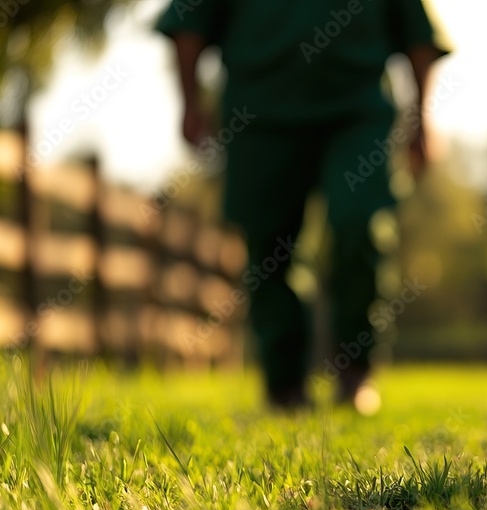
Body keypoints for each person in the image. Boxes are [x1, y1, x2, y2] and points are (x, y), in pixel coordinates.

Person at [156, 1, 447, 413]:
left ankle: (355, 371)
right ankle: (285, 385)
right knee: (270, 248)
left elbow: (419, 34)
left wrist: (424, 117)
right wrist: (189, 101)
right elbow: (188, 22)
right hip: (259, 116)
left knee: (359, 222)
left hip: (356, 114)